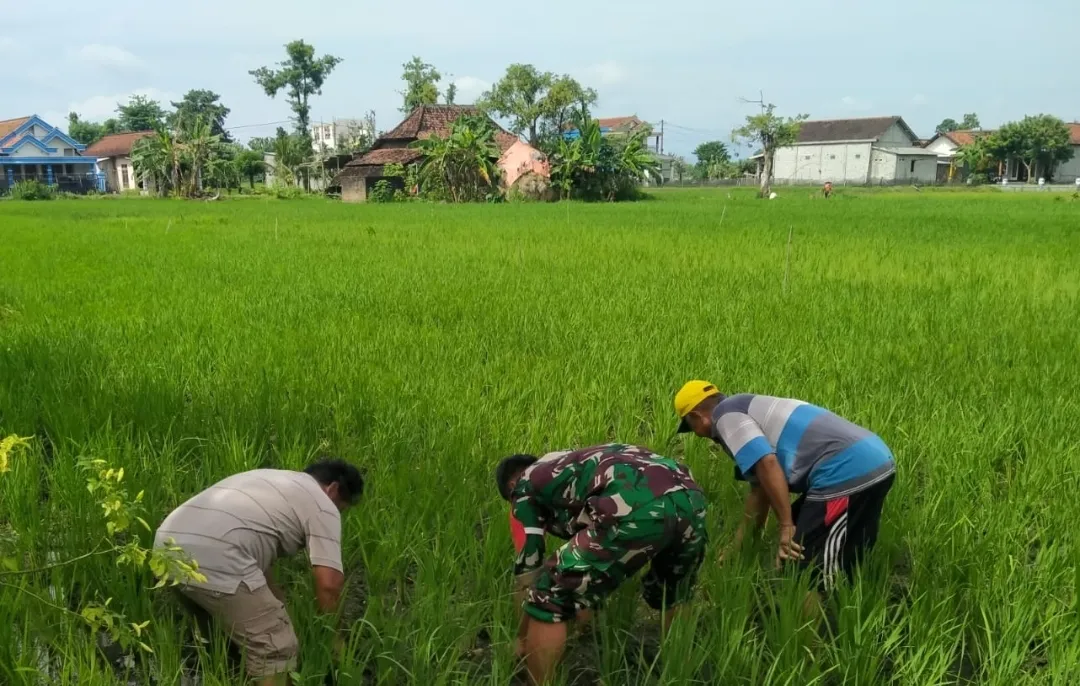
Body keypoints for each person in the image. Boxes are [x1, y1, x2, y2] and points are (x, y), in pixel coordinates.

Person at [496, 443, 708, 685]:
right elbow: (589, 555)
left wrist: (521, 637)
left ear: (511, 486)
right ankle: (680, 669)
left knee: (549, 595)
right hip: (690, 496)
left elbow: (529, 566)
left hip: (633, 501)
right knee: (674, 590)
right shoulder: (569, 463)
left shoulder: (523, 485)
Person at [154, 459, 364, 686]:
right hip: (217, 556)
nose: (338, 514)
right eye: (341, 508)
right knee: (275, 647)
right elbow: (329, 585)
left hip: (167, 549)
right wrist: (337, 641)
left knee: (224, 642)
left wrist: (279, 609)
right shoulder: (322, 503)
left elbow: (255, 565)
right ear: (333, 489)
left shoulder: (271, 480)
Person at [674, 380, 894, 593]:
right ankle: (846, 600)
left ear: (697, 417)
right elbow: (761, 490)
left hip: (846, 470)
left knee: (805, 569)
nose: (698, 434)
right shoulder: (746, 407)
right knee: (844, 555)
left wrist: (786, 526)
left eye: (691, 427)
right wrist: (739, 547)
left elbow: (768, 464)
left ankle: (810, 614)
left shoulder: (725, 417)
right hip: (876, 459)